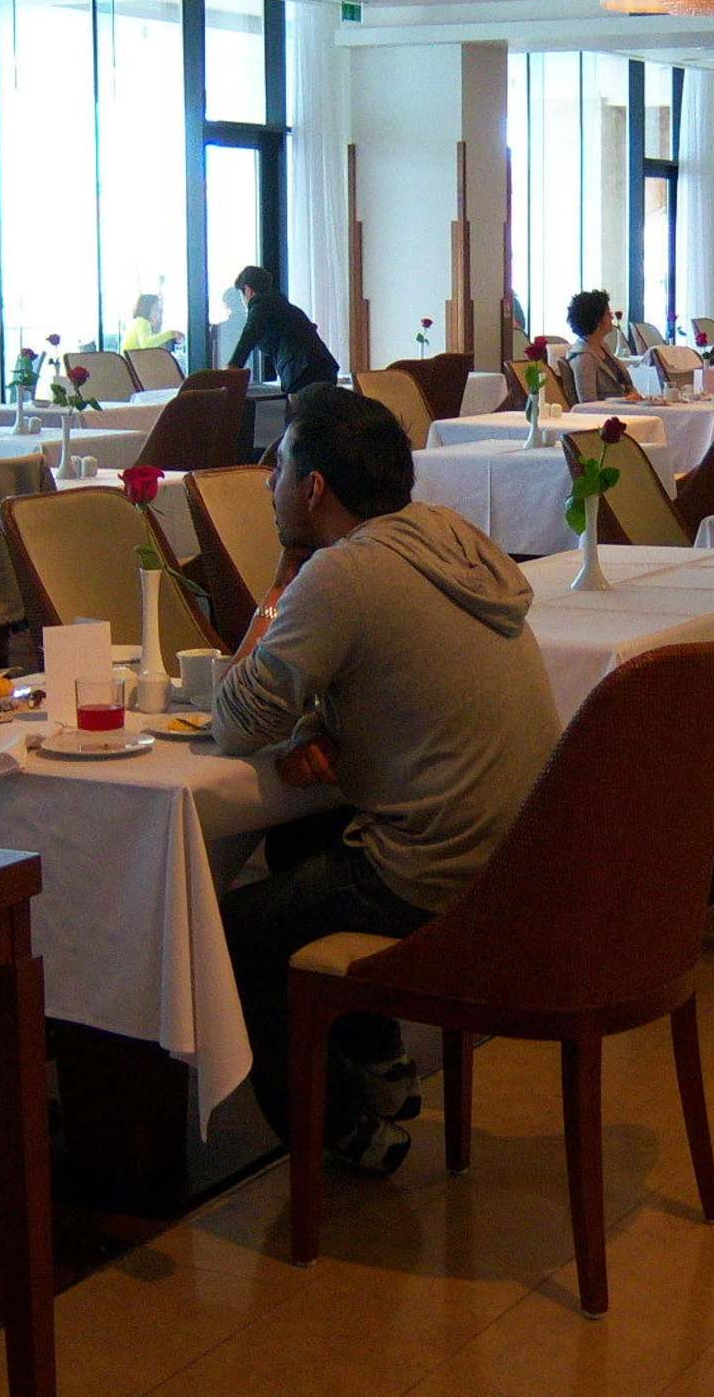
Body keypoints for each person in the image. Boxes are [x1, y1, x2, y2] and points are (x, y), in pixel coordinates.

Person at [213, 384, 559, 1173]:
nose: (267, 483)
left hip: (434, 871)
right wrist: (317, 724)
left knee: (234, 933)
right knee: (300, 837)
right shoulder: (449, 535)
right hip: (515, 856)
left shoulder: (341, 574)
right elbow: (391, 674)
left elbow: (235, 719)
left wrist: (281, 581)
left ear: (313, 489)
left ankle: (340, 1127)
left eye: (278, 467)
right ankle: (381, 1064)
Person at [227, 266, 340, 394]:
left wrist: (233, 367)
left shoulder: (261, 304)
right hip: (324, 367)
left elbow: (249, 335)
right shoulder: (284, 306)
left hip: (302, 371)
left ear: (248, 290)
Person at [563, 289, 637, 403]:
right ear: (597, 320)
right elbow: (588, 404)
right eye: (608, 313)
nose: (612, 317)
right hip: (610, 412)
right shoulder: (584, 358)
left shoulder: (603, 347)